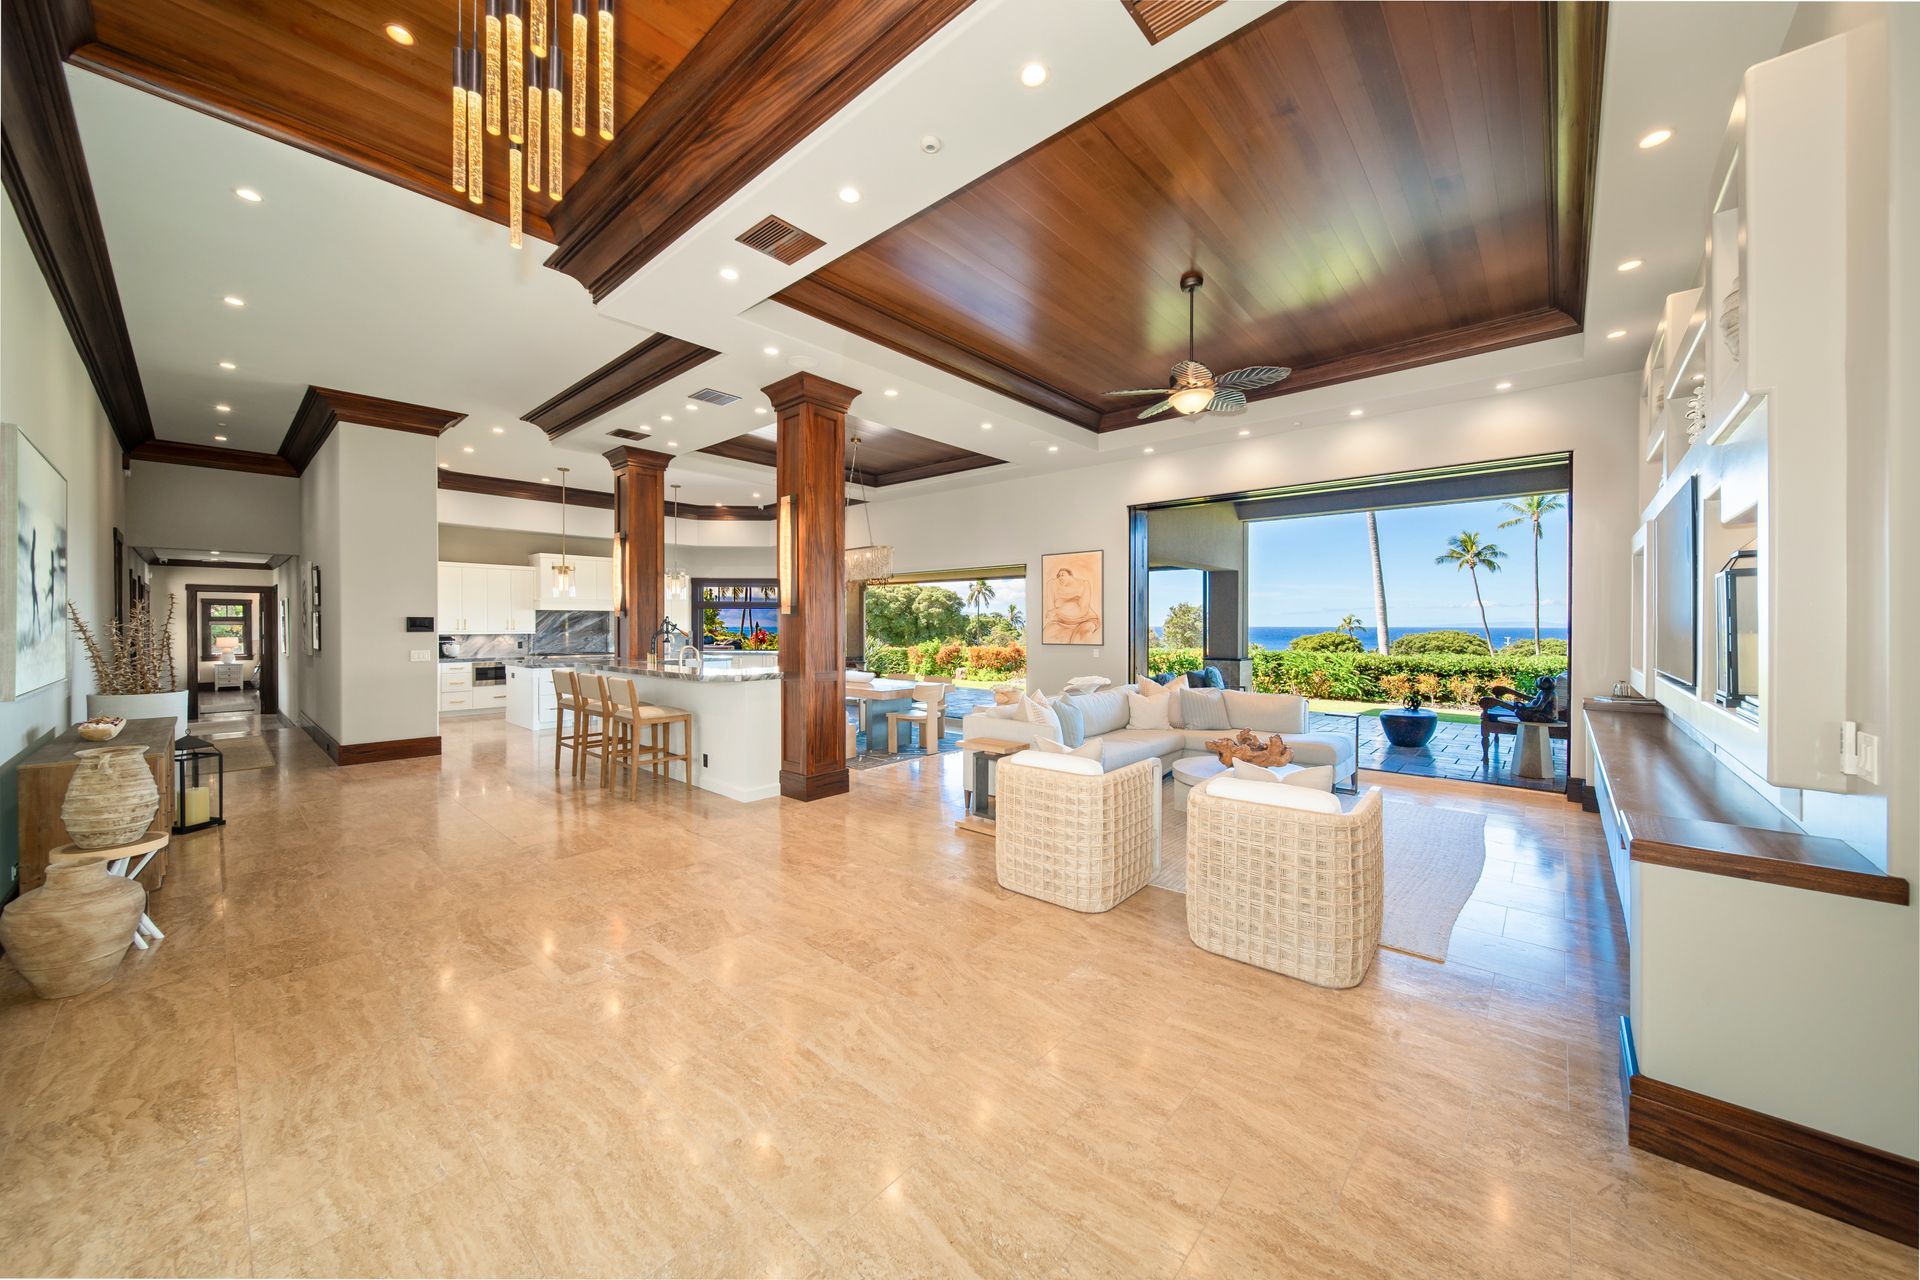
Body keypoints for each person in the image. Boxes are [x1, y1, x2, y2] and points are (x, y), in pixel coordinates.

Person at [1045, 567, 1100, 643]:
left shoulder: (1084, 584)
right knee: (1047, 634)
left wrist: (1057, 611)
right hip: (1063, 622)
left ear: (1070, 576)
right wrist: (1056, 613)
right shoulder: (1052, 585)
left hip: (1085, 620)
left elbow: (1082, 610)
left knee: (1078, 639)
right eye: (1058, 576)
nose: (1060, 577)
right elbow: (1050, 613)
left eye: (1063, 575)